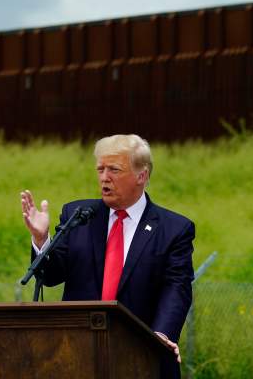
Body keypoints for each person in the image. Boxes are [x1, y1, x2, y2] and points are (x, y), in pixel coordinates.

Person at [20, 134, 194, 378]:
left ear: (141, 176)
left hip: (141, 356)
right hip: (77, 355)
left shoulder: (174, 229)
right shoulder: (78, 215)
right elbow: (50, 276)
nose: (104, 177)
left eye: (114, 169)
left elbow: (177, 287)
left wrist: (161, 336)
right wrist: (41, 239)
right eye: (100, 169)